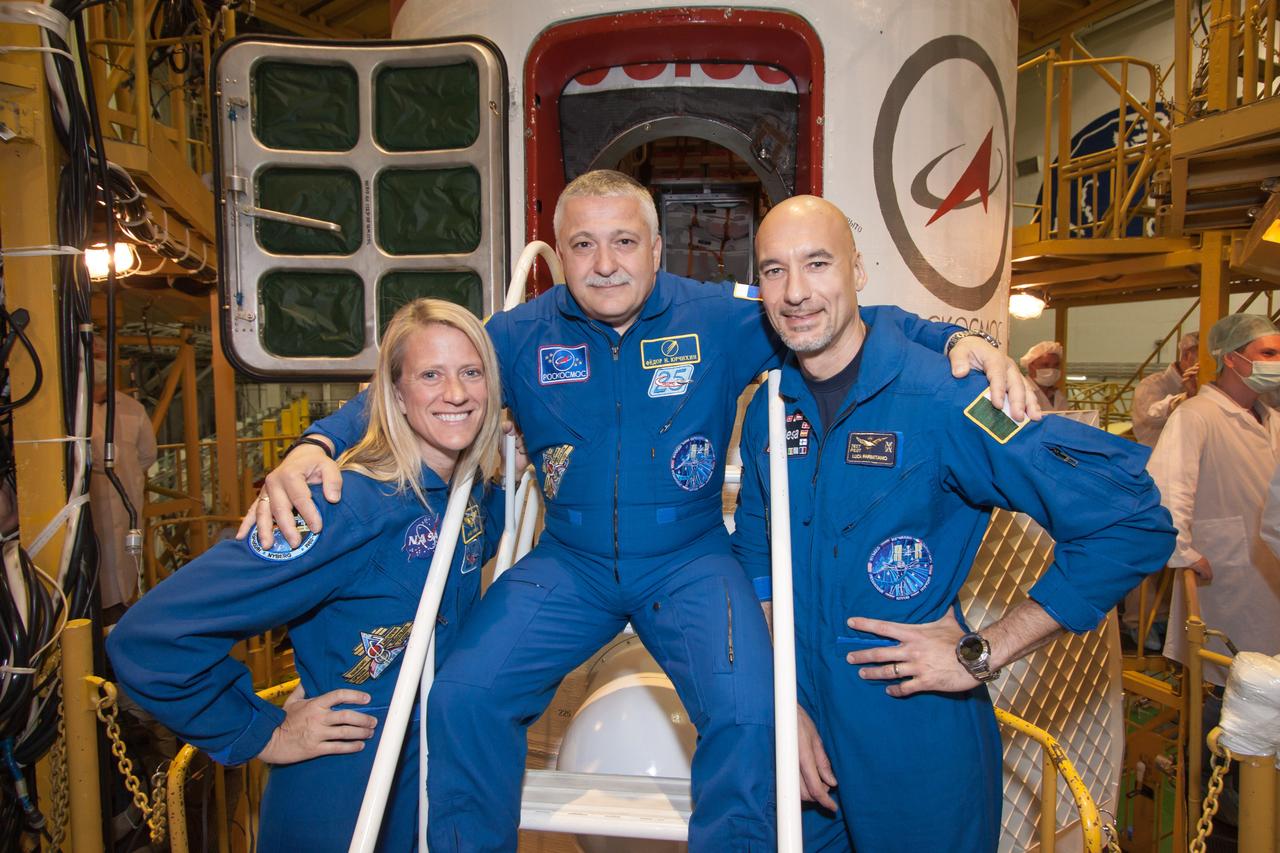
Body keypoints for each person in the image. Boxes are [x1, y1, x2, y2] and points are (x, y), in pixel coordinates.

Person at [247, 170, 1039, 851]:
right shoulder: (519, 334)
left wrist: (952, 339)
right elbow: (416, 368)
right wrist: (318, 441)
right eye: (583, 245)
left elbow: (844, 321)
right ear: (560, 256)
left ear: (657, 249)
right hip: (570, 563)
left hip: (691, 559)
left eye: (624, 242)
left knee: (749, 712)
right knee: (462, 694)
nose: (605, 263)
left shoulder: (718, 316)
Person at [731, 196, 1175, 852]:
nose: (795, 291)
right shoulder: (771, 406)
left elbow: (1133, 521)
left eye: (817, 263)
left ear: (858, 270)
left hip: (916, 743)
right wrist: (780, 704)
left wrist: (983, 651)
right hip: (802, 745)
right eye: (774, 270)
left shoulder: (949, 397)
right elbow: (756, 558)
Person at [107, 299, 505, 851]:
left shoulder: (468, 497)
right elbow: (152, 637)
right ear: (394, 395)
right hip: (347, 782)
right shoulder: (343, 508)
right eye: (430, 375)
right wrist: (265, 732)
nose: (456, 393)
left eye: (471, 372)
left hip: (432, 773)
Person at [1149, 313, 1280, 685]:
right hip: (1223, 567)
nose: (1277, 362)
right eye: (1268, 353)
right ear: (1232, 358)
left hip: (1268, 564)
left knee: (1266, 677)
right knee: (1228, 676)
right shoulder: (1196, 415)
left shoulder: (1273, 419)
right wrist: (1183, 551)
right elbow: (1169, 487)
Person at [90, 335, 157, 622]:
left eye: (101, 355)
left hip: (126, 512)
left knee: (124, 576)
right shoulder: (67, 413)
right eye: (91, 355)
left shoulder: (132, 409)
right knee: (94, 577)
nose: (97, 361)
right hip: (89, 517)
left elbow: (147, 456)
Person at [1132, 332, 1200, 447]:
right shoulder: (1150, 385)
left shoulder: (1205, 386)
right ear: (1187, 356)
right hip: (1153, 456)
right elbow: (1151, 415)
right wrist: (1186, 397)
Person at [1020, 339, 1069, 410]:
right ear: (1031, 366)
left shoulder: (1057, 395)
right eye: (1045, 365)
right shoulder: (1022, 391)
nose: (1052, 370)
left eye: (1056, 365)